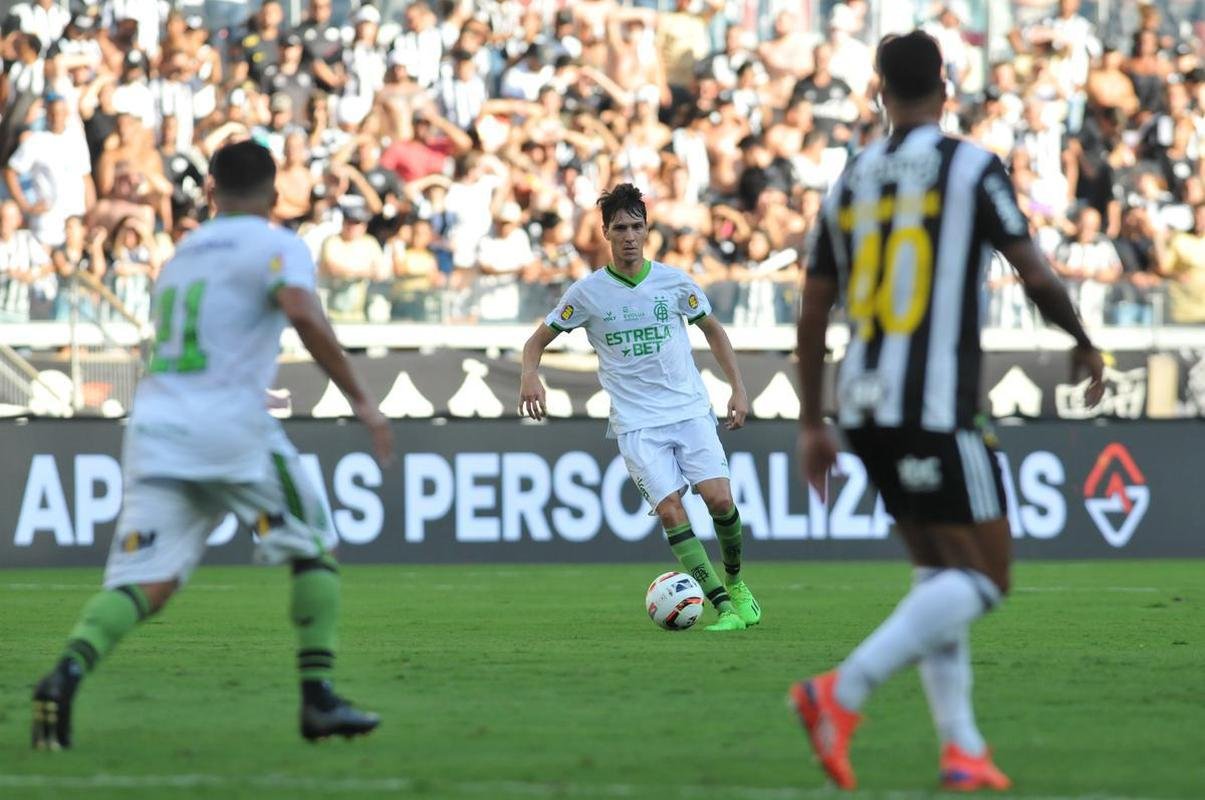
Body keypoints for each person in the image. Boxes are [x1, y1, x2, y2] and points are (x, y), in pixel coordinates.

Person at [791, 32, 1105, 791]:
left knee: (938, 572)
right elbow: (1032, 271)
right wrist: (1082, 341)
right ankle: (841, 690)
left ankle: (961, 748)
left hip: (862, 408)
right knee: (988, 577)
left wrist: (811, 420)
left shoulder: (851, 177)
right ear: (944, 86)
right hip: (935, 407)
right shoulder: (969, 167)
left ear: (877, 90)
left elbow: (812, 310)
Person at [30, 140, 395, 750]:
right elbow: (301, 309)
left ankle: (66, 672)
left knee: (148, 579)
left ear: (210, 192)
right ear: (276, 194)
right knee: (312, 545)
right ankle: (318, 699)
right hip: (229, 424)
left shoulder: (181, 255)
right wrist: (362, 399)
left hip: (154, 428)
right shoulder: (278, 245)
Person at [519, 183, 760, 632]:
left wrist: (738, 388)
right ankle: (724, 607)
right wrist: (530, 373)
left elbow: (714, 330)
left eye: (636, 226)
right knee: (671, 510)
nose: (629, 235)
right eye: (619, 228)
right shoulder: (587, 293)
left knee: (720, 499)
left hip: (689, 411)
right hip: (636, 424)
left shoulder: (674, 282)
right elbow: (537, 339)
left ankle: (737, 582)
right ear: (606, 234)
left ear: (647, 230)